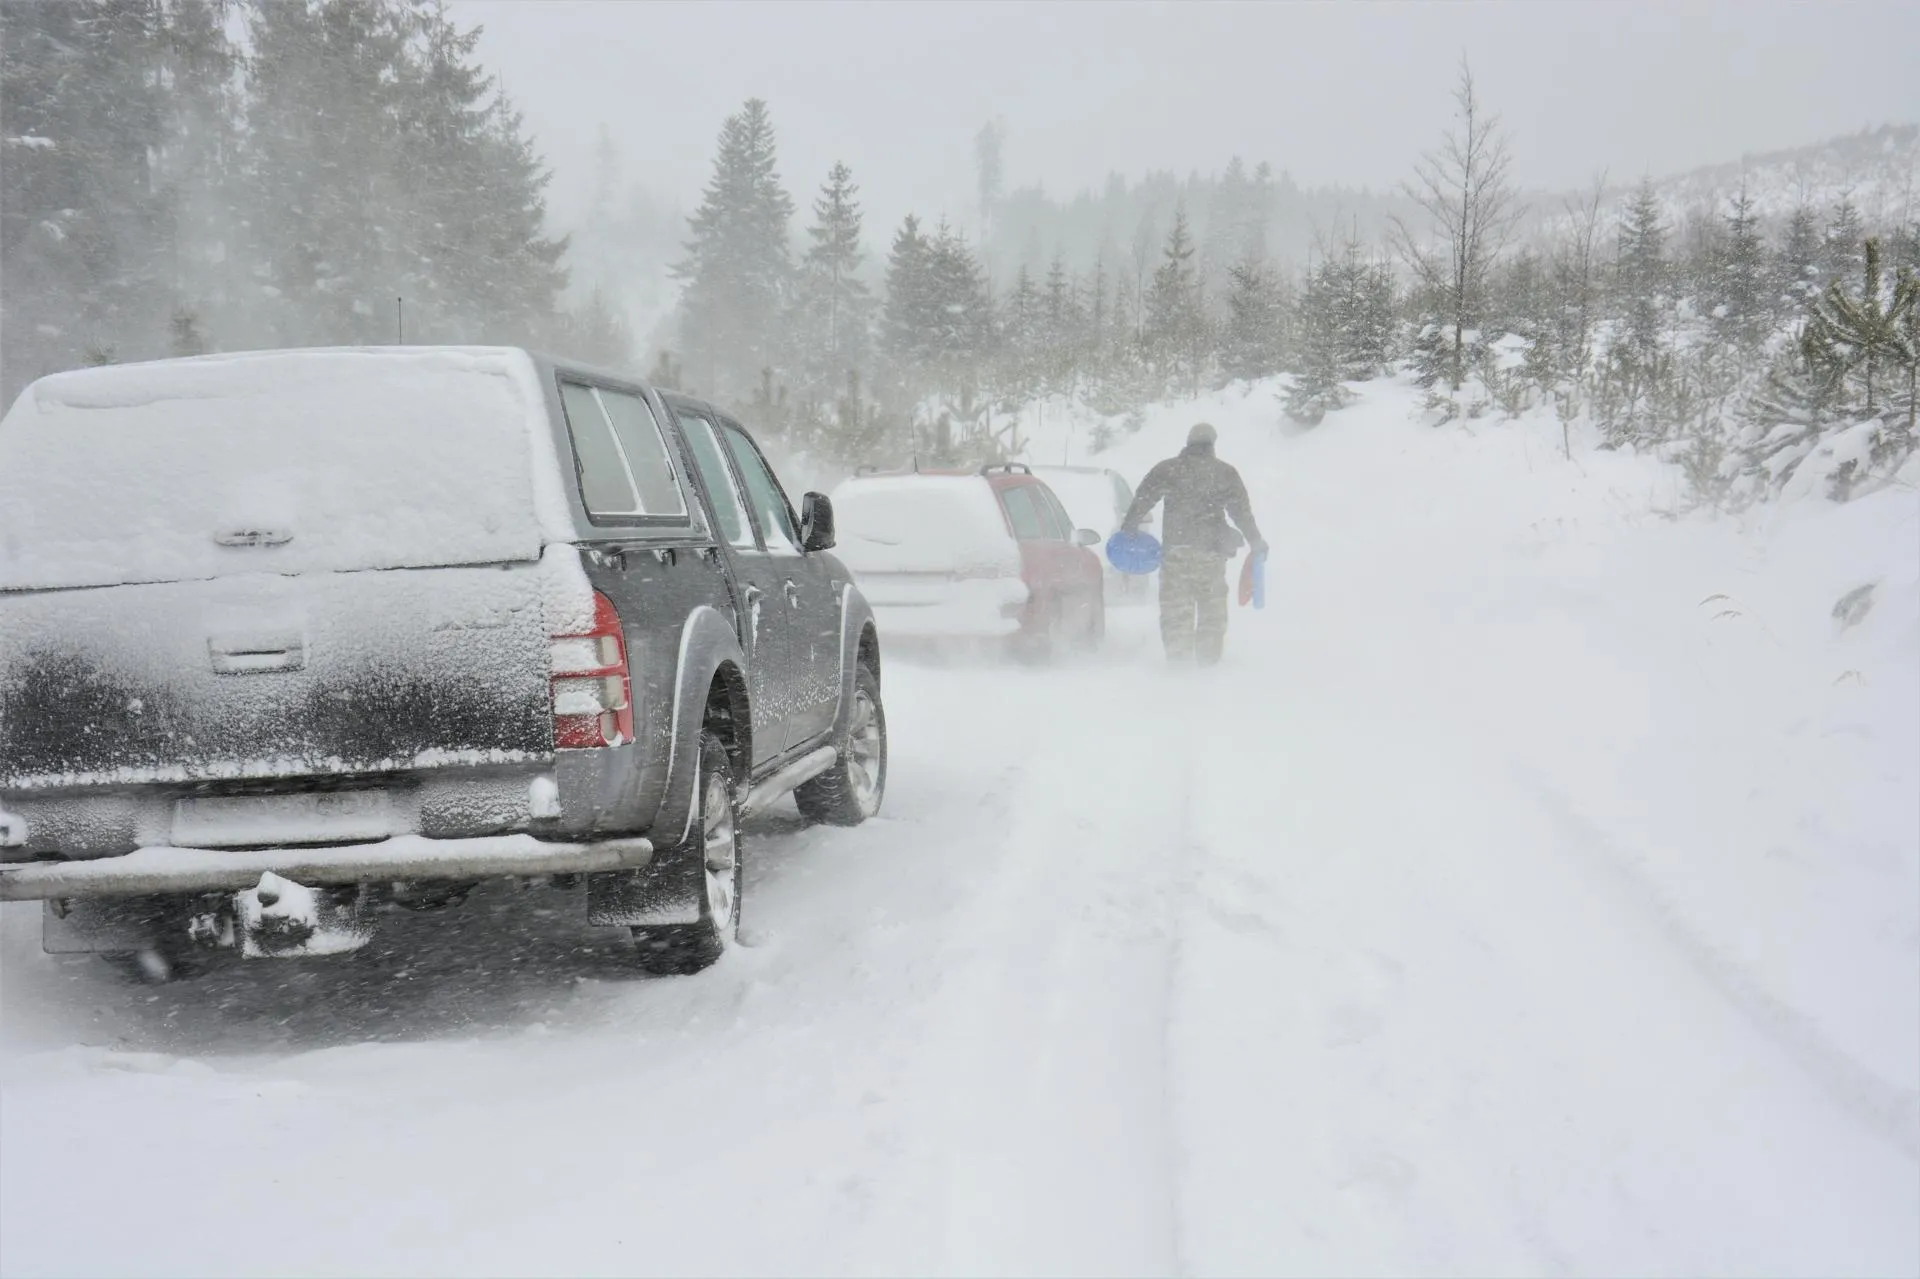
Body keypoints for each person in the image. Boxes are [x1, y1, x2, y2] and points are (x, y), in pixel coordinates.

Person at [1120, 422, 1266, 665]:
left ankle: (1179, 667)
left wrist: (1129, 527)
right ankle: (1208, 665)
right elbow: (1242, 513)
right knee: (1211, 612)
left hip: (1176, 553)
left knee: (1176, 612)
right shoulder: (1225, 473)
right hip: (1210, 555)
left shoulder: (1168, 469)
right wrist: (1256, 540)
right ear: (1212, 445)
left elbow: (1144, 498)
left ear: (1188, 443)